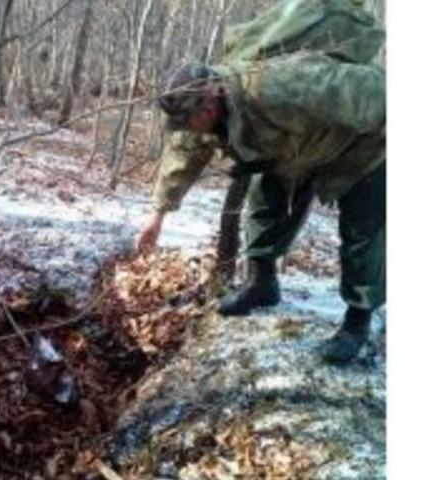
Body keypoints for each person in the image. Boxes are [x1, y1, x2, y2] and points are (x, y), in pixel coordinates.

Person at [134, 54, 385, 365]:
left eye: (187, 122)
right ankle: (262, 284)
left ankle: (358, 322)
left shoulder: (280, 88)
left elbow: (368, 92)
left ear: (208, 108)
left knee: (363, 229)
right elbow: (183, 152)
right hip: (296, 151)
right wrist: (158, 214)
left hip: (364, 144)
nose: (185, 129)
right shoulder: (202, 107)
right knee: (264, 204)